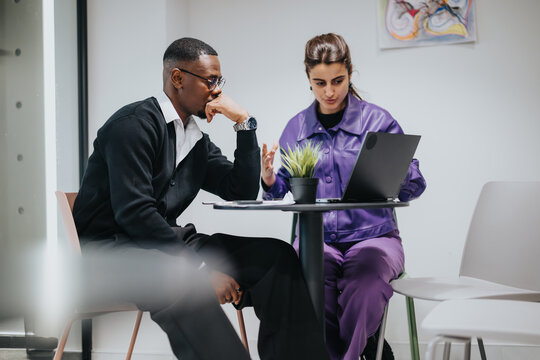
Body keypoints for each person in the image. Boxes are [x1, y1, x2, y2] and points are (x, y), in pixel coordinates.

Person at [72, 37, 329, 360]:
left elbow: (240, 191)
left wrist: (243, 124)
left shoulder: (191, 138)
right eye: (210, 80)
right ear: (178, 79)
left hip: (160, 245)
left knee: (274, 258)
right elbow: (135, 214)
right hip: (114, 255)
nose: (217, 90)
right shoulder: (133, 126)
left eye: (219, 81)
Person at [261, 33, 427, 360]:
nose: (330, 91)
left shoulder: (378, 121)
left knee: (364, 288)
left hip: (375, 237)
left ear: (350, 72)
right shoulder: (296, 128)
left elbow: (416, 184)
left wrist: (400, 169)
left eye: (338, 80)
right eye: (319, 82)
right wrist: (268, 178)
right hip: (316, 239)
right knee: (310, 288)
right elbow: (282, 189)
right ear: (308, 79)